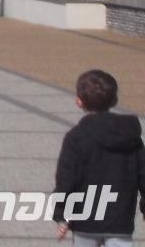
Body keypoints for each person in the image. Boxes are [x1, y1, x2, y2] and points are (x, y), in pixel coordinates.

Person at [53, 68, 145, 245]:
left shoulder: (76, 137)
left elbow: (66, 179)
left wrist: (61, 215)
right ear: (114, 99)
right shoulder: (131, 135)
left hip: (84, 219)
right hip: (120, 219)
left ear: (79, 102)